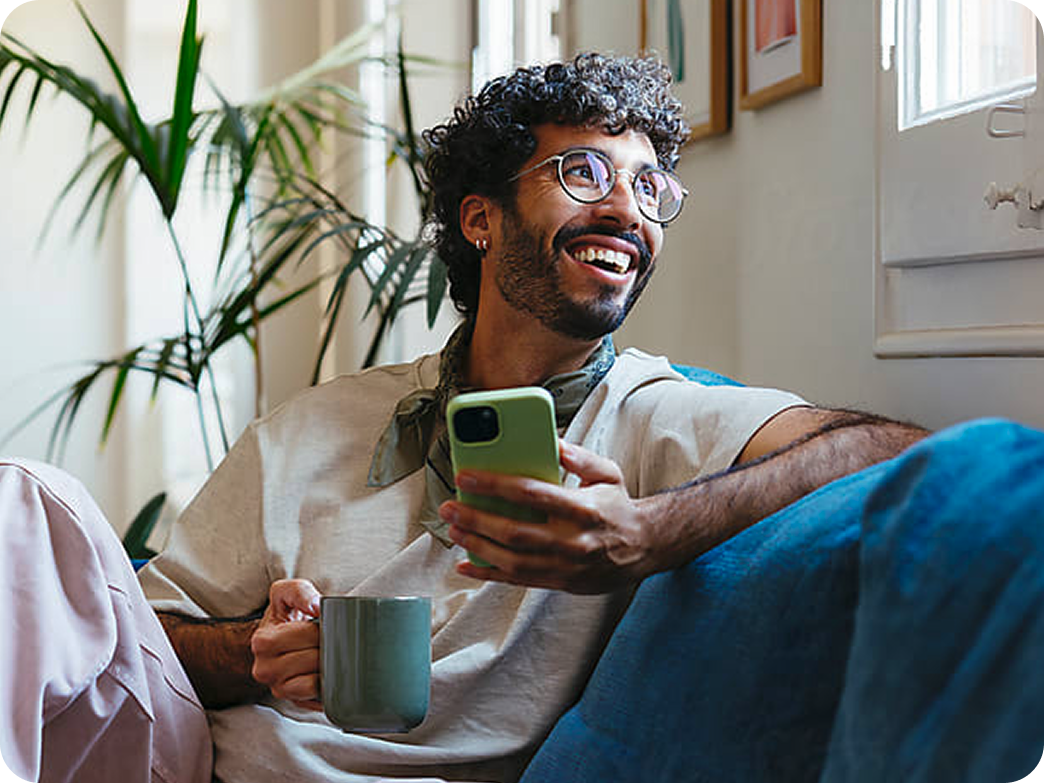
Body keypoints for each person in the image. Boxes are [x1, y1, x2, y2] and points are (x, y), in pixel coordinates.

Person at [2, 53, 931, 783]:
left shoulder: (657, 416)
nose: (627, 208)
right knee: (21, 509)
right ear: (479, 219)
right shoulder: (317, 423)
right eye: (584, 171)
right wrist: (257, 654)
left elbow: (895, 447)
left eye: (651, 188)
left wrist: (645, 532)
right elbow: (143, 635)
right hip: (188, 759)